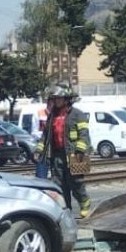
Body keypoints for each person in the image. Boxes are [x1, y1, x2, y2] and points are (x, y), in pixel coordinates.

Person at [34, 81, 92, 218]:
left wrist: (80, 150)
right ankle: (66, 211)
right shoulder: (52, 115)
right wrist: (39, 150)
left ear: (67, 99)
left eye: (59, 98)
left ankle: (85, 203)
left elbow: (84, 135)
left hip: (76, 154)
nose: (56, 101)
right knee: (59, 185)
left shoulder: (78, 114)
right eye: (54, 99)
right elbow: (45, 135)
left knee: (76, 183)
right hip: (58, 155)